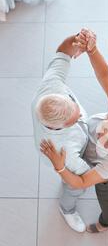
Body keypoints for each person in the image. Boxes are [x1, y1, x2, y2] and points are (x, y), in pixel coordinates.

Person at [40, 29, 108, 233]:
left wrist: (60, 167)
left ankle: (106, 223)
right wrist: (92, 51)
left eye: (107, 131)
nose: (103, 124)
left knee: (107, 194)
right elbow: (106, 75)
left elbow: (82, 181)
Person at [32, 34, 95, 233]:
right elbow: (84, 178)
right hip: (66, 163)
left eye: (74, 106)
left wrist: (77, 39)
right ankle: (66, 209)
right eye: (75, 119)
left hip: (72, 150)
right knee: (74, 188)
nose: (79, 115)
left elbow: (63, 52)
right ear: (58, 127)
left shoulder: (50, 86)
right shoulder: (64, 150)